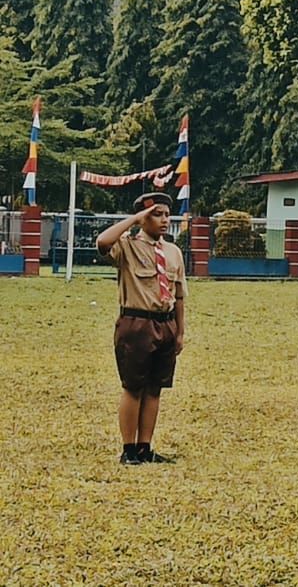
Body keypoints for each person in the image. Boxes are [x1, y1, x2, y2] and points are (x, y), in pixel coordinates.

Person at [98, 192, 188, 466]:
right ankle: (128, 449)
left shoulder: (173, 252)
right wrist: (134, 219)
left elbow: (180, 294)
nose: (164, 220)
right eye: (157, 215)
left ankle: (145, 447)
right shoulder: (127, 247)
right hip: (136, 323)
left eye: (166, 214)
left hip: (165, 323)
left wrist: (180, 331)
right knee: (134, 387)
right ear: (142, 219)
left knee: (154, 388)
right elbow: (103, 242)